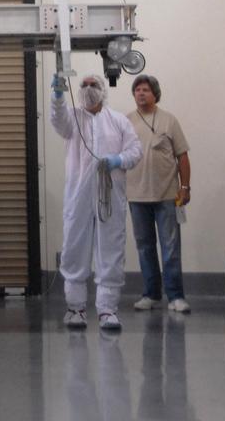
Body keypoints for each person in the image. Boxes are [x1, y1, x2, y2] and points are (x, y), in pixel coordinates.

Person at [50, 70, 142, 331]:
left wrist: (118, 161)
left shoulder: (118, 121)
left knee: (111, 249)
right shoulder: (73, 118)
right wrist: (56, 96)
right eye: (84, 84)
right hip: (77, 196)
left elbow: (135, 151)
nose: (88, 88)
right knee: (74, 248)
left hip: (109, 196)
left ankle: (107, 310)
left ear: (103, 89)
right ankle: (75, 308)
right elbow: (58, 120)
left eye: (94, 84)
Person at [126, 74, 191, 314]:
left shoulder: (169, 121)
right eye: (137, 90)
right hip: (136, 195)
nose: (140, 93)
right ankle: (151, 294)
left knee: (171, 247)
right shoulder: (127, 122)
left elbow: (182, 156)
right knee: (145, 247)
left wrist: (185, 187)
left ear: (155, 94)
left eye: (145, 90)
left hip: (166, 195)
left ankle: (176, 296)